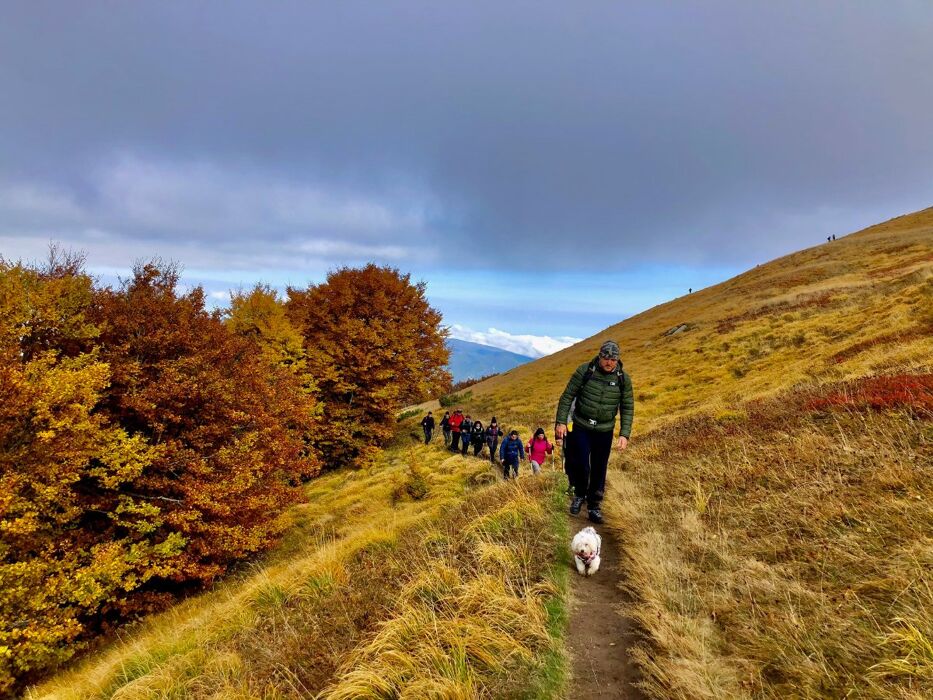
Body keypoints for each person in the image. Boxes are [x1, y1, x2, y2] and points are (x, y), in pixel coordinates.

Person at [555, 340, 634, 524]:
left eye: (613, 359)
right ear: (600, 356)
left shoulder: (623, 379)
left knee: (599, 468)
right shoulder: (585, 371)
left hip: (604, 430)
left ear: (617, 360)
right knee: (580, 463)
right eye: (606, 358)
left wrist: (624, 434)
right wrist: (561, 422)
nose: (609, 362)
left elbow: (627, 407)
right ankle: (579, 495)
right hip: (581, 425)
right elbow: (567, 396)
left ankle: (594, 506)